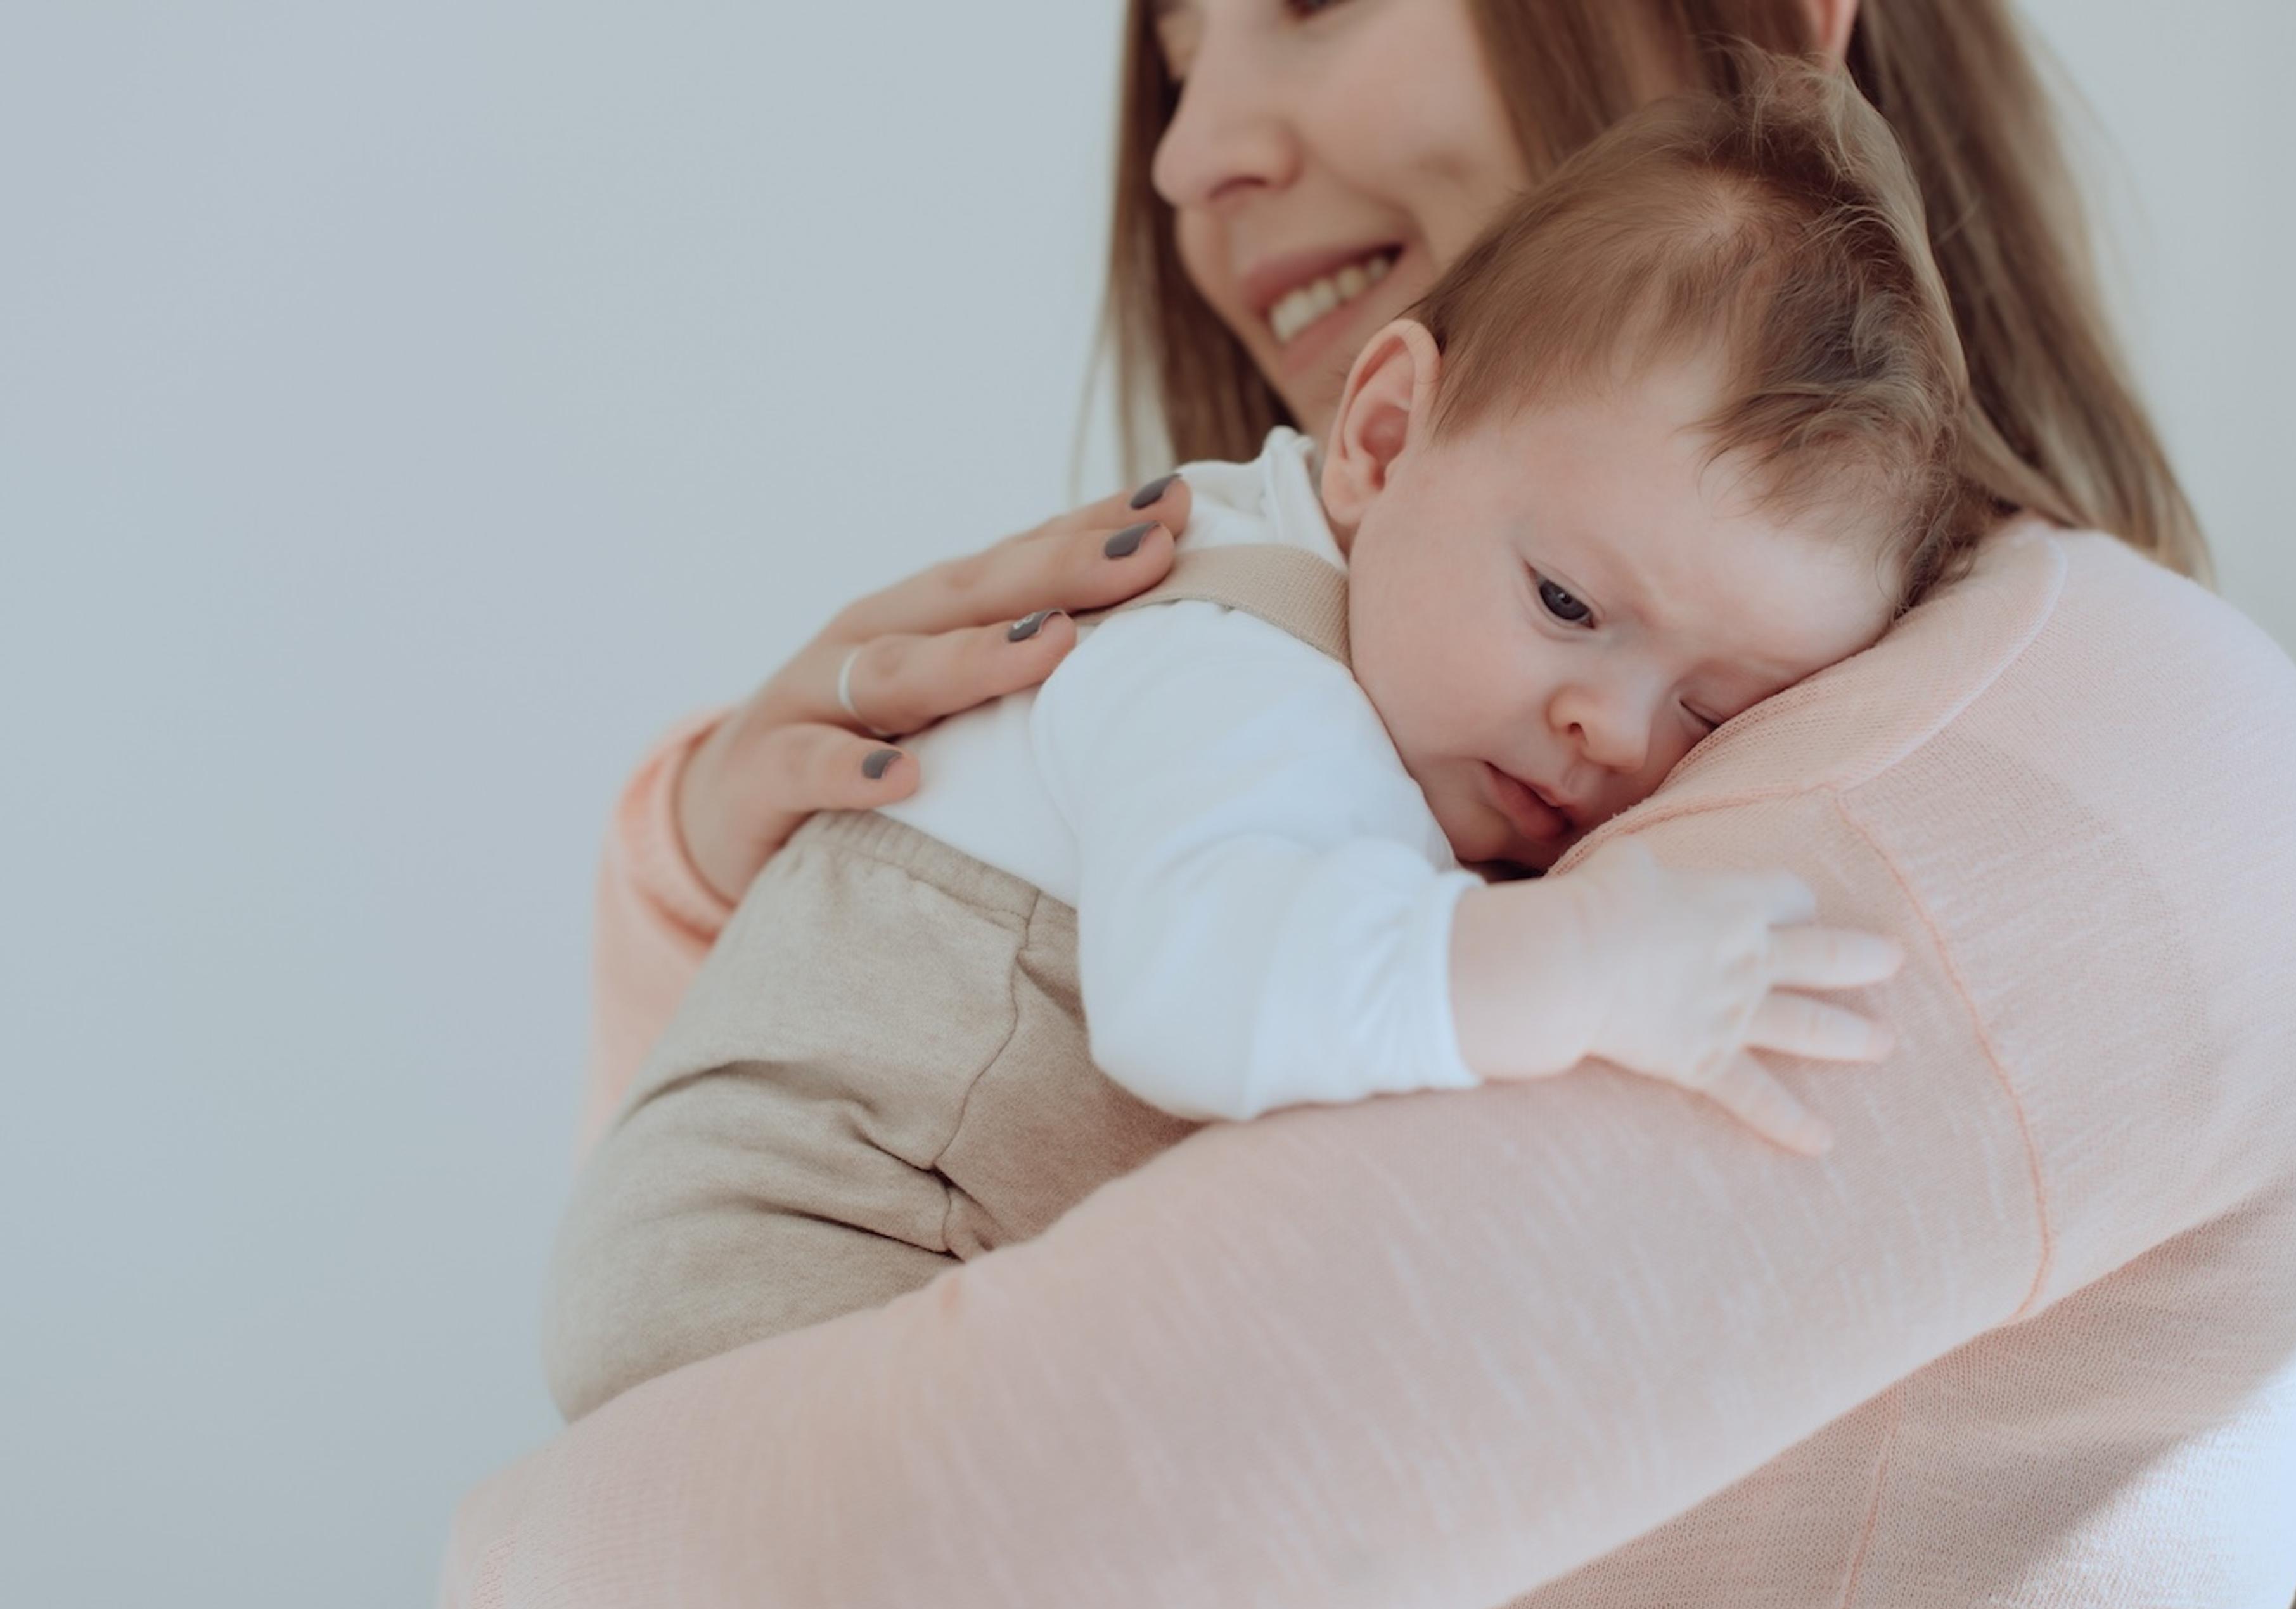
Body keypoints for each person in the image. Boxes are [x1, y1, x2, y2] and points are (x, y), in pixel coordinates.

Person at [444, 3, 2296, 1609]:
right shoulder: (1308, 673)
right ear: (1383, 436)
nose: (1186, 151)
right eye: (1178, 57)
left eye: (1302, 4)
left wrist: (517, 1544)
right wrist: (713, 850)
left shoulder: (2060, 745)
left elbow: (783, 1564)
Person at [541, 64, 1956, 1422]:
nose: (1614, 728)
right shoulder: (1234, 657)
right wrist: (1587, 967)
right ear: (1386, 437)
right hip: (805, 1260)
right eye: (1570, 604)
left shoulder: (1391, 669)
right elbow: (1197, 993)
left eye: (1712, 713)